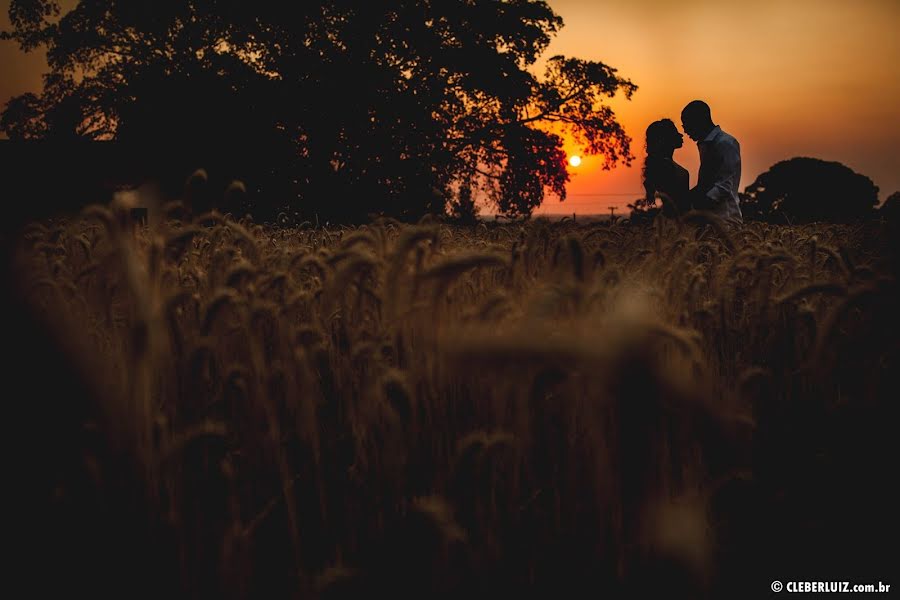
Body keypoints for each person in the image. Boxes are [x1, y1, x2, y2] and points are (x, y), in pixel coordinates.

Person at [681, 100, 743, 227]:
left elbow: (725, 185)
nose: (685, 131)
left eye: (687, 125)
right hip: (708, 220)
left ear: (699, 121)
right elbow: (707, 182)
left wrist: (698, 202)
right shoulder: (706, 145)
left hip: (726, 218)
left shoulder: (726, 143)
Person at [642, 119, 691, 218]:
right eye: (675, 133)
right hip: (676, 219)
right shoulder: (665, 166)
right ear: (664, 139)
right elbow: (678, 200)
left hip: (675, 219)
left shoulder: (664, 164)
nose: (680, 135)